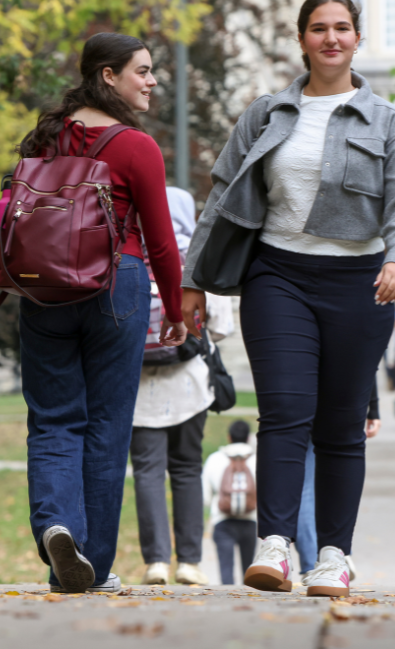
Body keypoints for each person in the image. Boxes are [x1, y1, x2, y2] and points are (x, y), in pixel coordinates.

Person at [181, 0, 395, 597]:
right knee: (285, 412)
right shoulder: (266, 114)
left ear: (357, 38)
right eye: (318, 28)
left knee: (342, 426)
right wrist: (192, 279)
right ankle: (275, 544)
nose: (330, 38)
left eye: (342, 28)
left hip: (359, 282)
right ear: (301, 40)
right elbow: (219, 198)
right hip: (278, 276)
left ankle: (334, 557)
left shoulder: (388, 120)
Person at [17, 33, 187, 594]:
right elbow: (162, 241)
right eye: (142, 70)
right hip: (118, 287)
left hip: (44, 293)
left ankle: (57, 525)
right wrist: (177, 307)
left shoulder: (43, 138)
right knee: (108, 428)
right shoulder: (136, 145)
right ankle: (92, 561)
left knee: (52, 420)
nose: (153, 80)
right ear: (108, 76)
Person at [130, 187, 234, 586]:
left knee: (147, 471)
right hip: (190, 385)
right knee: (188, 468)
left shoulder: (131, 251)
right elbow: (220, 326)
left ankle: (156, 561)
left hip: (138, 384)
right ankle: (189, 561)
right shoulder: (200, 256)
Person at [295, 380, 381, 580]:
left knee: (305, 488)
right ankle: (332, 553)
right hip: (339, 399)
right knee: (337, 468)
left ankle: (312, 564)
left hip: (301, 397)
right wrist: (373, 408)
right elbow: (365, 358)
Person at [203, 420, 258, 585]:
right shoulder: (257, 460)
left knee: (225, 572)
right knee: (249, 572)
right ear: (248, 438)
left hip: (222, 521)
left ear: (229, 437)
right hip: (250, 521)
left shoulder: (215, 459)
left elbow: (205, 496)